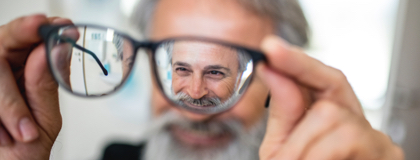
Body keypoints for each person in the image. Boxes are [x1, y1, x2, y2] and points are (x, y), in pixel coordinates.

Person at [0, 0, 404, 160]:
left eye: (218, 72)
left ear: (285, 78)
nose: (192, 99)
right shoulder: (116, 158)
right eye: (178, 69)